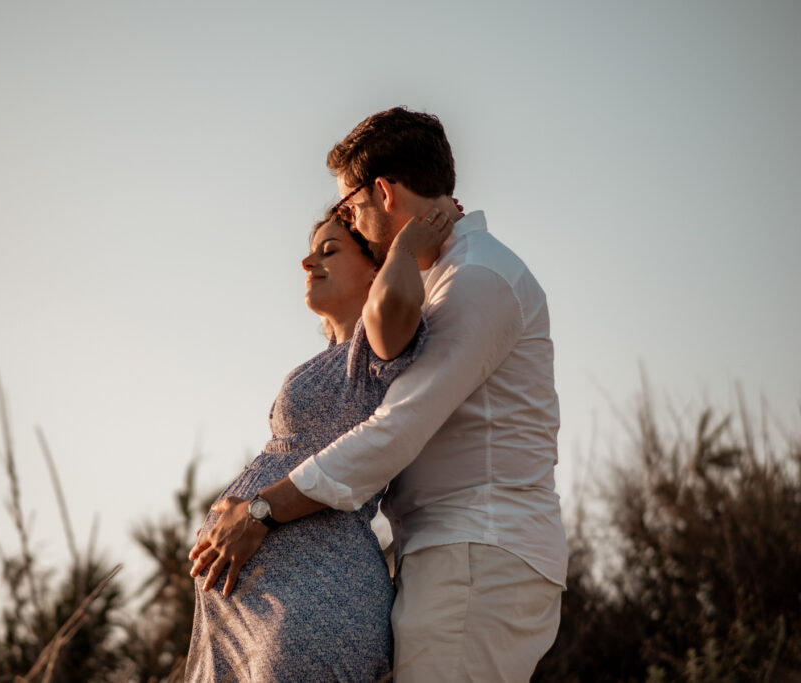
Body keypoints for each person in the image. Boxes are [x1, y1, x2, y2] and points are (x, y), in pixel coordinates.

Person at [190, 107, 568, 682]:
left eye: (351, 207)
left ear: (384, 193)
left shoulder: (478, 279)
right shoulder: (446, 276)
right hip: (449, 554)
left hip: (479, 555)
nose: (353, 223)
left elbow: (399, 427)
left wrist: (263, 511)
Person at [185, 206, 458, 681]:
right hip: (269, 606)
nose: (307, 264)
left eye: (329, 251)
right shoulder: (333, 357)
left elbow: (394, 305)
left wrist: (406, 247)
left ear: (376, 264)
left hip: (313, 599)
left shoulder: (372, 349)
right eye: (310, 253)